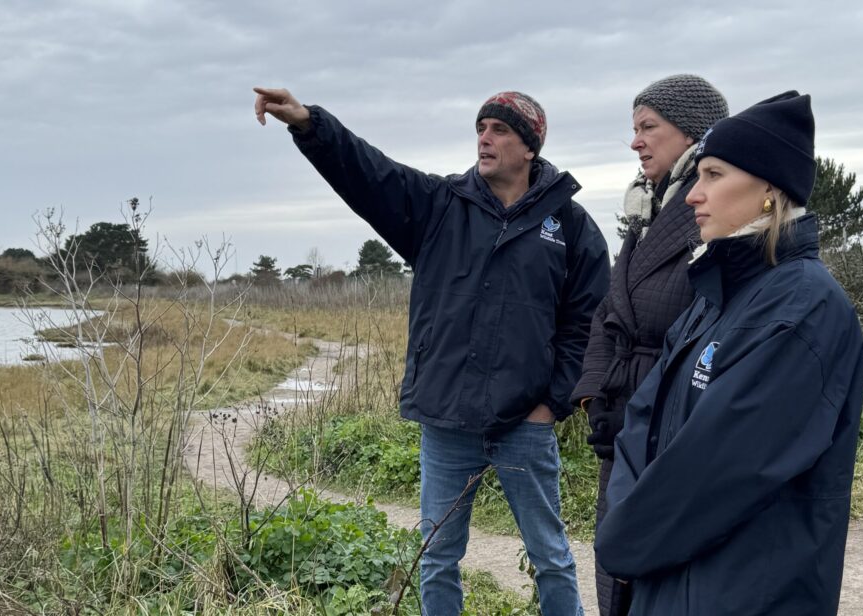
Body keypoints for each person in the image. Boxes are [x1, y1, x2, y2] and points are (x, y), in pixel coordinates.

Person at [253, 87, 609, 616]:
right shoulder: (439, 205)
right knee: (436, 555)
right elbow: (369, 173)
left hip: (524, 424)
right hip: (446, 418)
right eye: (480, 130)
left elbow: (588, 323)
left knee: (551, 557)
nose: (484, 140)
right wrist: (309, 124)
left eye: (500, 131)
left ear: (530, 145)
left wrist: (551, 404)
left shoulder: (571, 226)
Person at [594, 91, 863, 615]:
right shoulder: (718, 296)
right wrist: (624, 521)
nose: (694, 195)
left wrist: (621, 540)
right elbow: (641, 422)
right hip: (669, 578)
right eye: (698, 177)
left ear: (769, 187)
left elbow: (715, 475)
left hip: (743, 593)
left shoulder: (803, 311)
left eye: (713, 175)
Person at [570, 74, 728, 616]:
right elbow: (609, 311)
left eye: (647, 127)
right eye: (633, 128)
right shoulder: (646, 209)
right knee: (613, 553)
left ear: (691, 133)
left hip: (673, 416)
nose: (635, 141)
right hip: (622, 414)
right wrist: (594, 393)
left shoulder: (713, 212)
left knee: (658, 566)